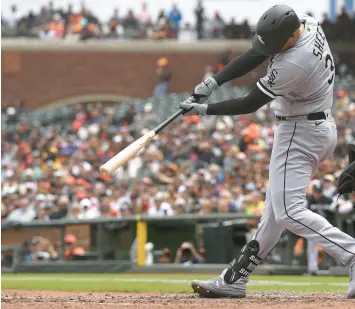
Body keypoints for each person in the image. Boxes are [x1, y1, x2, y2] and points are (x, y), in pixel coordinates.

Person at [179, 5, 355, 298]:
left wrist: (204, 110)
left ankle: (352, 253)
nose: (270, 49)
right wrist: (214, 81)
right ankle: (235, 278)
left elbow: (249, 104)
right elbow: (256, 53)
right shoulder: (306, 23)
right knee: (275, 213)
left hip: (300, 131)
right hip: (316, 125)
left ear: (289, 36)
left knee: (288, 211)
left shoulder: (296, 62)